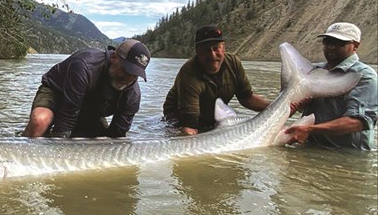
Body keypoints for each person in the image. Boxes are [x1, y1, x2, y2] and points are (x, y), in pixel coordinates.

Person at [22, 39, 151, 138]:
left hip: (89, 107)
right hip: (58, 93)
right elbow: (66, 119)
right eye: (126, 70)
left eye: (134, 75)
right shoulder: (85, 65)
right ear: (113, 57)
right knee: (41, 120)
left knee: (98, 143)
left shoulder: (132, 95)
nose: (128, 78)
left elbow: (117, 135)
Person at [162, 25, 270, 135]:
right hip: (179, 118)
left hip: (212, 117)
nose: (212, 55)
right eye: (206, 50)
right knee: (179, 134)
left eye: (216, 48)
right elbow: (190, 126)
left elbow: (246, 98)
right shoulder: (188, 73)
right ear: (197, 51)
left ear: (223, 47)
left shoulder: (233, 64)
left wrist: (275, 107)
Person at [285, 22, 378, 150]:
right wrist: (298, 106)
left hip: (348, 155)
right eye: (327, 41)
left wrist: (309, 129)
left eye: (339, 43)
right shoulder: (314, 71)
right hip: (311, 147)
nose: (331, 47)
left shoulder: (364, 76)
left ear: (356, 45)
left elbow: (357, 123)